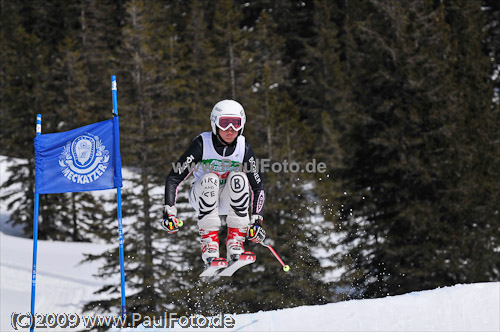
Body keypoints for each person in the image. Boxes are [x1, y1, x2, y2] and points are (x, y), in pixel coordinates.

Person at [162, 100, 266, 267]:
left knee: (239, 178)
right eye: (224, 123)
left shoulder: (243, 147)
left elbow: (258, 186)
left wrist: (256, 221)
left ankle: (235, 244)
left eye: (236, 123)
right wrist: (169, 212)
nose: (230, 129)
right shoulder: (202, 144)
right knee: (211, 178)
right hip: (202, 196)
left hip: (227, 200)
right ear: (215, 124)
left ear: (242, 125)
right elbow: (174, 177)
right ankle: (209, 244)